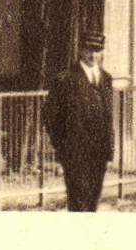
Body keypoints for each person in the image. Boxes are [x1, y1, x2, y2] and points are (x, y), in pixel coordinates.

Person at [45, 30, 115, 211]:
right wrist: (63, 148)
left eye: (98, 51)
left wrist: (108, 147)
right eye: (89, 50)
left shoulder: (106, 79)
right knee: (79, 203)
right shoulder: (66, 79)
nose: (93, 55)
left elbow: (108, 117)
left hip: (99, 152)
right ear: (80, 51)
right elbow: (51, 116)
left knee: (93, 201)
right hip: (76, 154)